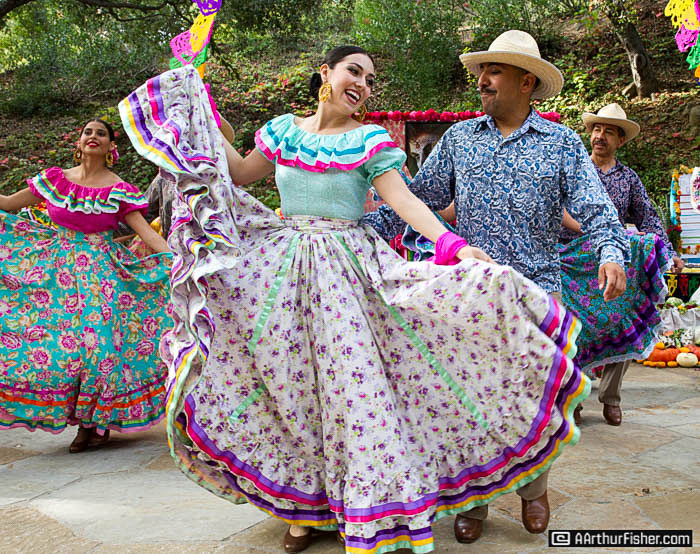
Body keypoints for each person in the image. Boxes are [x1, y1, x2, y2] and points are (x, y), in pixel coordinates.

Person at [121, 47, 587, 554]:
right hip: (285, 273)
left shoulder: (368, 141)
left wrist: (453, 246)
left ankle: (370, 501)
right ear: (326, 73)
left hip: (348, 275)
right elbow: (236, 172)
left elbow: (405, 200)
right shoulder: (282, 132)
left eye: (369, 78)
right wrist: (198, 104)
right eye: (354, 71)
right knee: (293, 388)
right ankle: (303, 510)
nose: (362, 84)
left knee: (350, 392)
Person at [364, 30, 630, 543]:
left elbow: (597, 209)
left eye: (495, 71)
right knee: (471, 402)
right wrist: (350, 232)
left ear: (526, 82)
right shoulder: (460, 140)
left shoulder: (561, 144)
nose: (482, 80)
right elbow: (413, 202)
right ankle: (476, 502)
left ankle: (534, 491)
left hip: (538, 292)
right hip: (473, 293)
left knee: (535, 402)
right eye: (482, 71)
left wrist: (611, 252)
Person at [0, 118, 172, 453]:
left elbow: (147, 234)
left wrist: (179, 261)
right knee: (62, 350)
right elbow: (7, 204)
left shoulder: (118, 189)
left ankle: (94, 424)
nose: (93, 136)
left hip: (101, 278)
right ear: (78, 143)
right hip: (56, 276)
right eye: (87, 132)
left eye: (101, 134)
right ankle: (83, 421)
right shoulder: (55, 180)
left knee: (100, 350)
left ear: (111, 147)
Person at [560, 103, 677, 426]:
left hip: (613, 260)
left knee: (623, 321)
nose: (600, 136)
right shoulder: (574, 170)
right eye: (597, 129)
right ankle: (575, 397)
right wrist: (591, 231)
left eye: (608, 132)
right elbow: (557, 210)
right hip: (573, 261)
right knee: (574, 329)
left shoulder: (628, 179)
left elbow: (647, 217)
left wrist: (668, 251)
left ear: (620, 140)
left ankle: (611, 397)